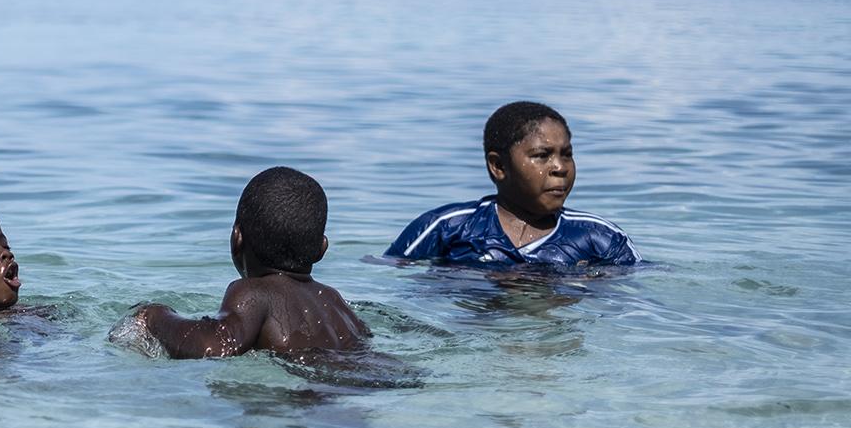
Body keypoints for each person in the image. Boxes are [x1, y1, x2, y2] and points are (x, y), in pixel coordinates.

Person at [126, 167, 370, 358]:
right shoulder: (336, 303)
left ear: (236, 239)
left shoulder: (254, 293)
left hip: (305, 397)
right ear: (322, 249)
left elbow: (217, 346)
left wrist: (154, 316)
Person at [385, 101, 639, 267]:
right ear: (498, 166)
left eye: (567, 154)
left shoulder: (599, 238)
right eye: (542, 155)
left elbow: (637, 291)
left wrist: (595, 284)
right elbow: (386, 275)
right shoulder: (448, 227)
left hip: (555, 340)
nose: (560, 167)